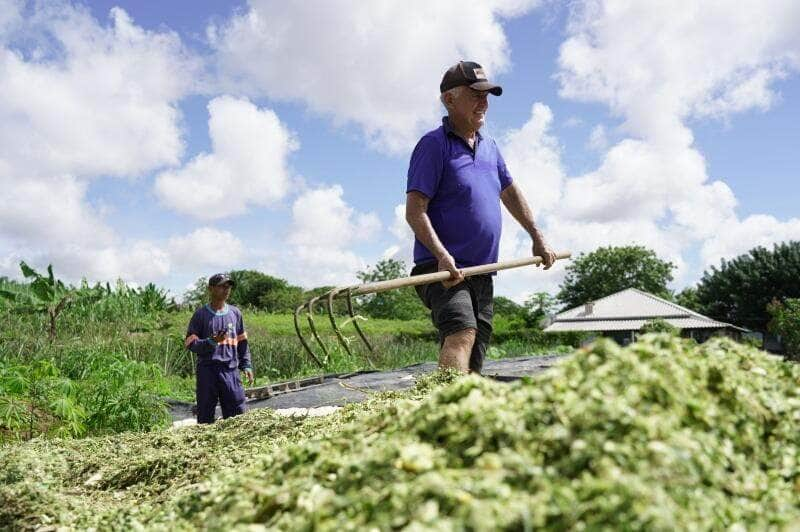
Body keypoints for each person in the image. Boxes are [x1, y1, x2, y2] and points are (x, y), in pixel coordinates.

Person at [405, 60, 557, 374]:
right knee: (461, 331)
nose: (483, 102)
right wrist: (443, 257)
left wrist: (537, 236)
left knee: (475, 353)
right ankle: (446, 413)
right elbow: (415, 211)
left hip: (483, 270)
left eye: (486, 95)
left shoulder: (491, 147)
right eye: (475, 94)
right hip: (442, 269)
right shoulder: (433, 146)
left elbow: (511, 193)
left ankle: (460, 410)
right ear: (449, 99)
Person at [185, 273, 254, 424]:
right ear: (211, 289)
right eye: (221, 286)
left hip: (230, 371)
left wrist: (246, 365)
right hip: (208, 371)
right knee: (205, 415)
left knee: (237, 415)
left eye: (228, 286)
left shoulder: (235, 313)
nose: (226, 289)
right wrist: (211, 342)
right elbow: (190, 344)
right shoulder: (200, 315)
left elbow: (242, 343)